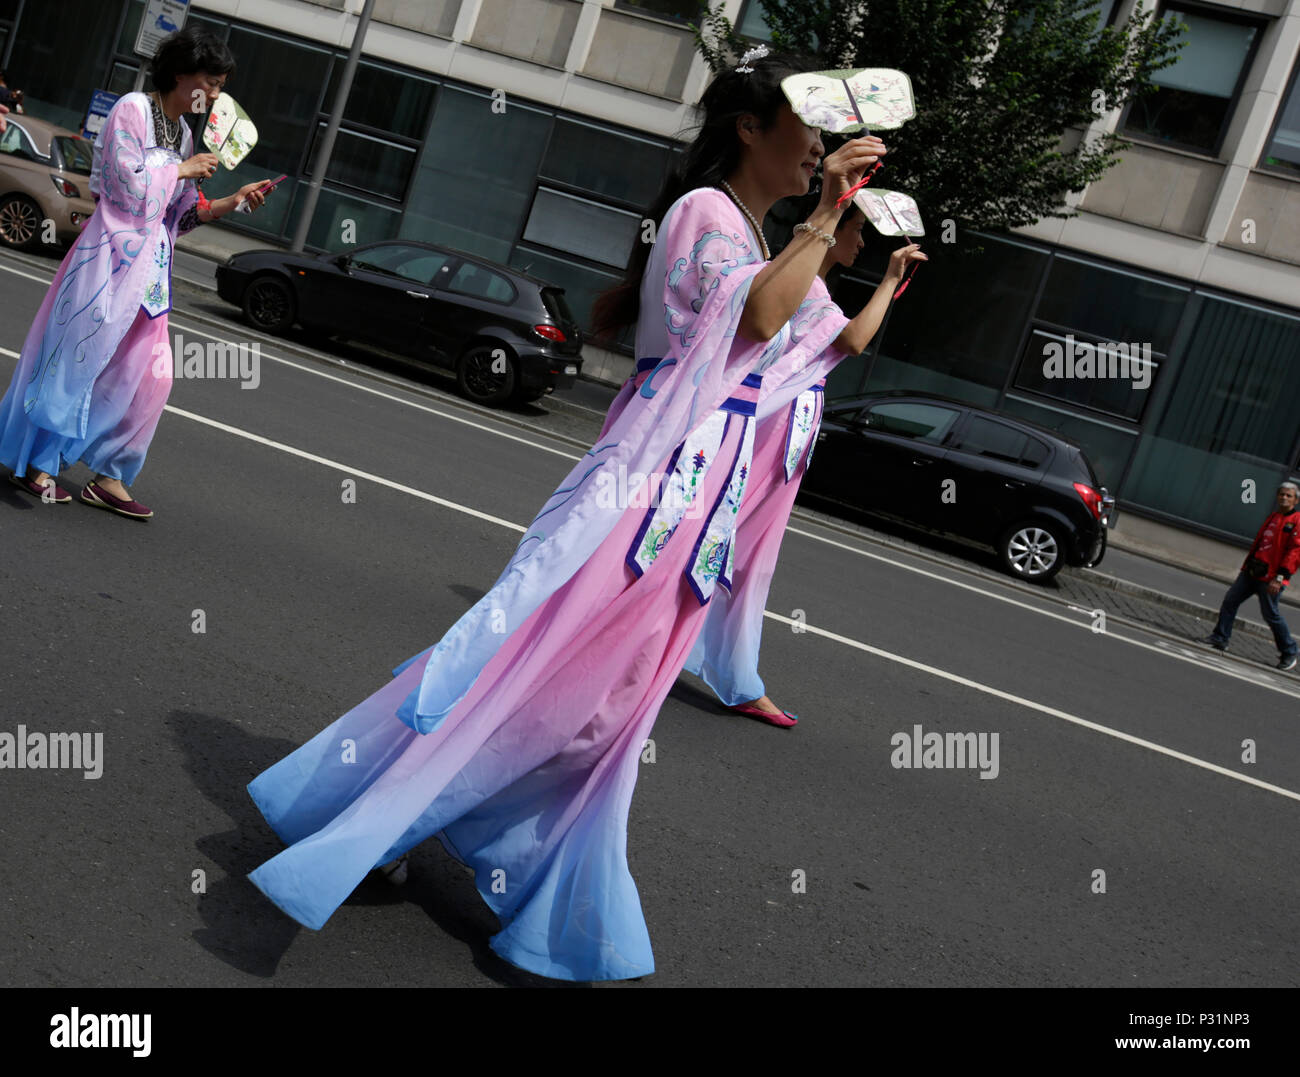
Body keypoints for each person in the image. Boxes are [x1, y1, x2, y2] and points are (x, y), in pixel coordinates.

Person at [245, 52, 923, 982]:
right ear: (750, 129)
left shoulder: (768, 238)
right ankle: (378, 819)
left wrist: (848, 256)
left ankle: (542, 884)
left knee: (611, 709)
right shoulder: (702, 216)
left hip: (696, 504)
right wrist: (821, 220)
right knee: (530, 670)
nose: (821, 148)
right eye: (807, 125)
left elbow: (818, 343)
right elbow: (756, 326)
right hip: (644, 485)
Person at [600, 203, 922, 726]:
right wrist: (890, 280)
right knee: (718, 543)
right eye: (857, 231)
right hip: (772, 428)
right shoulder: (810, 290)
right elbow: (856, 340)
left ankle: (714, 666)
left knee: (734, 550)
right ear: (829, 233)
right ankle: (655, 649)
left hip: (783, 432)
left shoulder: (810, 286)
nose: (861, 244)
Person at [0, 27, 267, 519]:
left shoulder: (185, 134)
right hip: (107, 260)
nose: (213, 95)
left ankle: (111, 474)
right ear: (180, 73)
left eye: (219, 85)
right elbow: (122, 187)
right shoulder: (132, 110)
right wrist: (181, 172)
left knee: (152, 378)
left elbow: (177, 216)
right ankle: (35, 462)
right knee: (76, 358)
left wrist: (232, 200)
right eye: (209, 82)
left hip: (150, 275)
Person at [1202, 481, 1300, 670]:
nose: (1284, 498)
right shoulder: (1273, 516)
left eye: (1289, 495)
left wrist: (1280, 577)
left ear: (1295, 500)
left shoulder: (1296, 521)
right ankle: (1220, 638)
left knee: (1271, 614)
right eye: (1282, 494)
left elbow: (1295, 553)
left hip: (1272, 578)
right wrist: (1247, 566)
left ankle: (1289, 651)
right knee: (1230, 600)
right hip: (1252, 572)